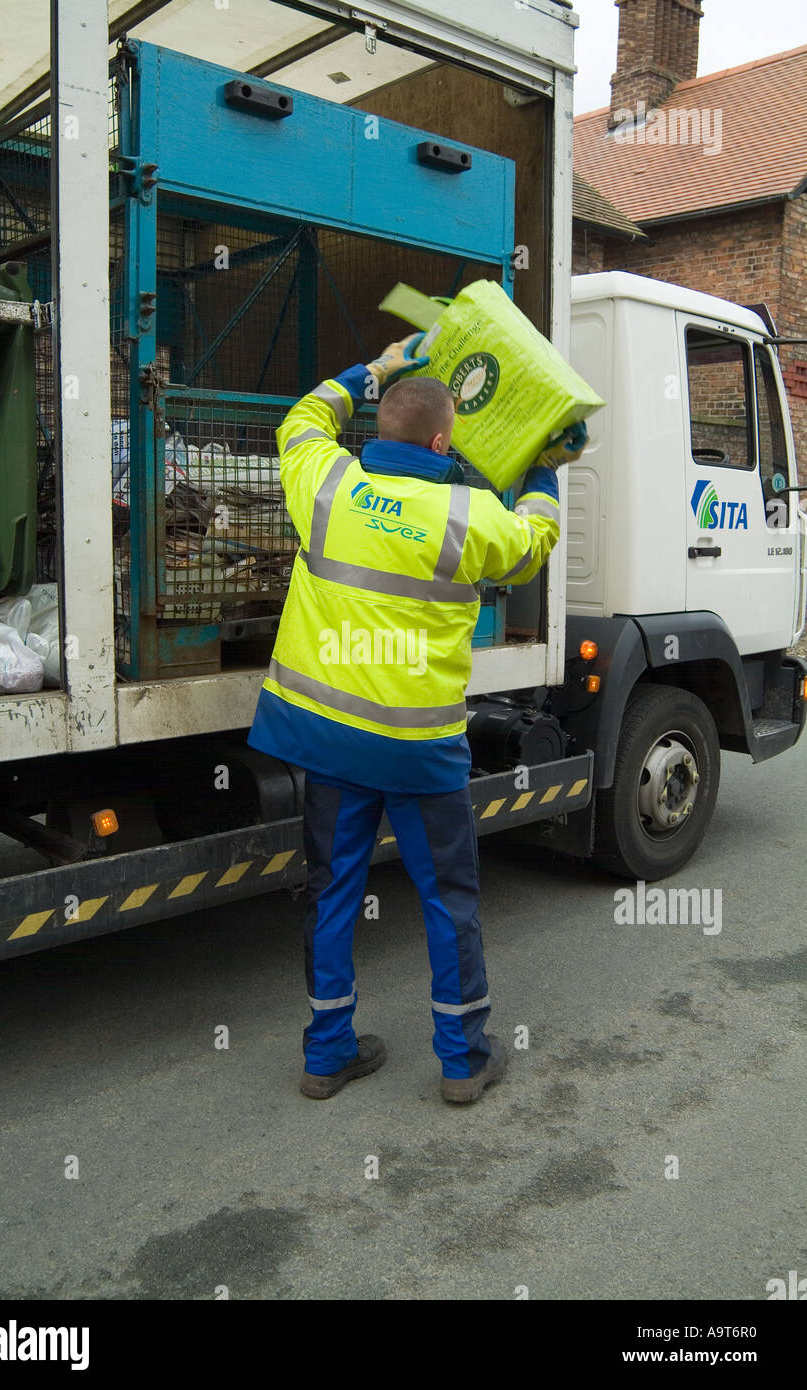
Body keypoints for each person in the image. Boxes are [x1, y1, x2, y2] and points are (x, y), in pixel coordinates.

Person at [247, 334, 583, 1103]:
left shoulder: (325, 484)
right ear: (441, 441)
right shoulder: (468, 516)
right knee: (447, 899)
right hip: (415, 750)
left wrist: (380, 364)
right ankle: (463, 1062)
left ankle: (326, 1052)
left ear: (376, 431)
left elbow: (302, 417)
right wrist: (541, 467)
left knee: (332, 892)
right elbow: (533, 541)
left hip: (326, 741)